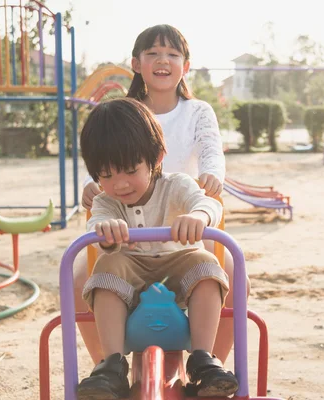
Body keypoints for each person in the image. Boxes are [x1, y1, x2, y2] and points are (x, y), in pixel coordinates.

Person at [76, 24, 250, 366]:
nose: (162, 60)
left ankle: (211, 361)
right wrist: (90, 181)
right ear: (136, 63)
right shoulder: (121, 112)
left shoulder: (197, 111)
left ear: (185, 66)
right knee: (80, 275)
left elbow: (211, 149)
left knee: (231, 272)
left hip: (180, 220)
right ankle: (106, 365)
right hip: (127, 224)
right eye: (153, 53)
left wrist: (211, 175)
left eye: (172, 54)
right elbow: (100, 154)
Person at [77, 97, 238, 399]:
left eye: (128, 170)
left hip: (176, 263)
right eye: (106, 175)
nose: (120, 184)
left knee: (205, 262)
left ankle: (203, 361)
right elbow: (96, 223)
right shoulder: (105, 201)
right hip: (130, 271)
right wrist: (105, 230)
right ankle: (112, 365)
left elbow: (207, 203)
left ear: (157, 157)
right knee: (106, 267)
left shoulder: (176, 185)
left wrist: (197, 216)